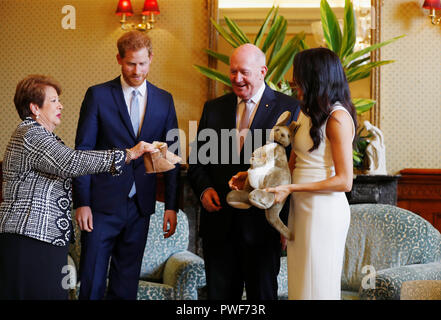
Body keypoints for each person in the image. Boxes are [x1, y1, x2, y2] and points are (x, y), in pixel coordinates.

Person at [0, 75, 152, 300]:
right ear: (35, 107)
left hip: (42, 239)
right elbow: (71, 162)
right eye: (53, 100)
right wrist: (128, 154)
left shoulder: (41, 135)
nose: (60, 105)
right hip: (28, 239)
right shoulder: (29, 134)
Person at [187, 43, 300, 300]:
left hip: (263, 226)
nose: (237, 78)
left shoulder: (289, 108)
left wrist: (286, 221)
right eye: (233, 71)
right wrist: (204, 190)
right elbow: (196, 161)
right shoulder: (213, 108)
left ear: (262, 71)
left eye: (244, 72)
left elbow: (294, 170)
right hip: (219, 225)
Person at [73, 31, 180, 300]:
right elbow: (83, 151)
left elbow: (171, 155)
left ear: (151, 58)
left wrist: (170, 206)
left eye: (143, 63)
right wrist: (82, 202)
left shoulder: (164, 99)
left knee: (126, 284)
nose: (137, 70)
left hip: (140, 207)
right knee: (92, 282)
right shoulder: (97, 95)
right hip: (100, 205)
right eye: (131, 63)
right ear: (119, 59)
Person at [265, 47, 357, 299]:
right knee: (300, 286)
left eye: (299, 75)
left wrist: (291, 189)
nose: (294, 81)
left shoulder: (337, 119)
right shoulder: (306, 114)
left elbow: (344, 181)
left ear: (315, 77)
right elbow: (293, 165)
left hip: (324, 211)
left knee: (316, 287)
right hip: (301, 208)